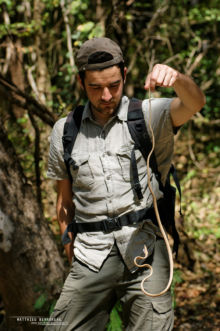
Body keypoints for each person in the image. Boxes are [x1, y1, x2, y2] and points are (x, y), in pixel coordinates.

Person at [46, 37, 205, 330]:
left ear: (125, 75)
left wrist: (177, 79)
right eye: (95, 87)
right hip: (90, 256)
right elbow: (64, 202)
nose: (106, 95)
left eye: (114, 85)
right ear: (81, 82)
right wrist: (68, 243)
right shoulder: (65, 131)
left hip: (145, 251)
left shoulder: (148, 115)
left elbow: (195, 102)